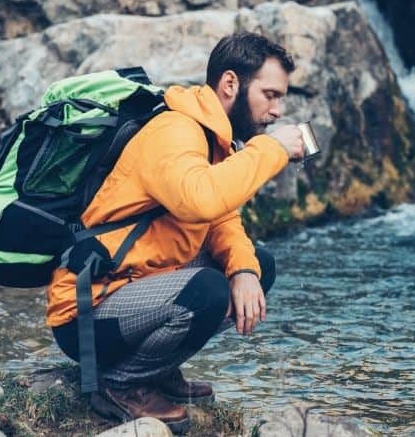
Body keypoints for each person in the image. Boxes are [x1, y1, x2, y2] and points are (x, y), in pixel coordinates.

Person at [46, 32, 305, 432]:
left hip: (139, 288)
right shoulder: (176, 131)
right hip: (88, 309)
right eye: (270, 95)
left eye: (280, 98)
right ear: (230, 83)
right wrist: (273, 150)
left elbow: (219, 217)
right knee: (208, 291)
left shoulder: (211, 137)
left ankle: (157, 371)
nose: (277, 110)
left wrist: (244, 271)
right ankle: (118, 384)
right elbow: (200, 199)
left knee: (256, 266)